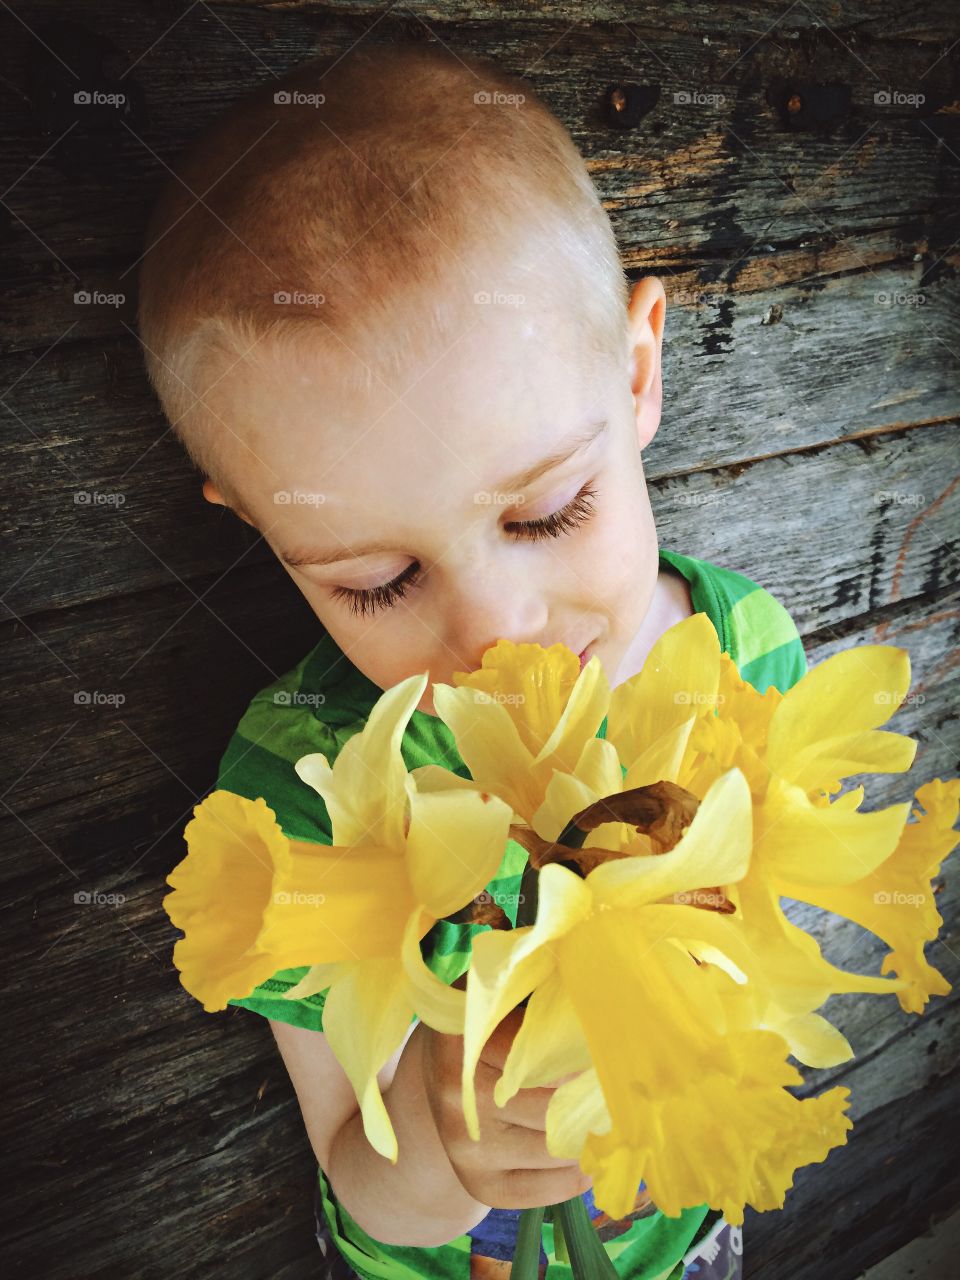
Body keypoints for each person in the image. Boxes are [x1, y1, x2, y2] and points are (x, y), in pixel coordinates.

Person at [139, 40, 807, 1280]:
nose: (498, 633)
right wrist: (448, 1140)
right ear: (263, 527)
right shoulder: (296, 796)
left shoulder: (747, 650)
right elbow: (362, 1178)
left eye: (549, 511)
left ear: (639, 373)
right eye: (378, 580)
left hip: (687, 1228)